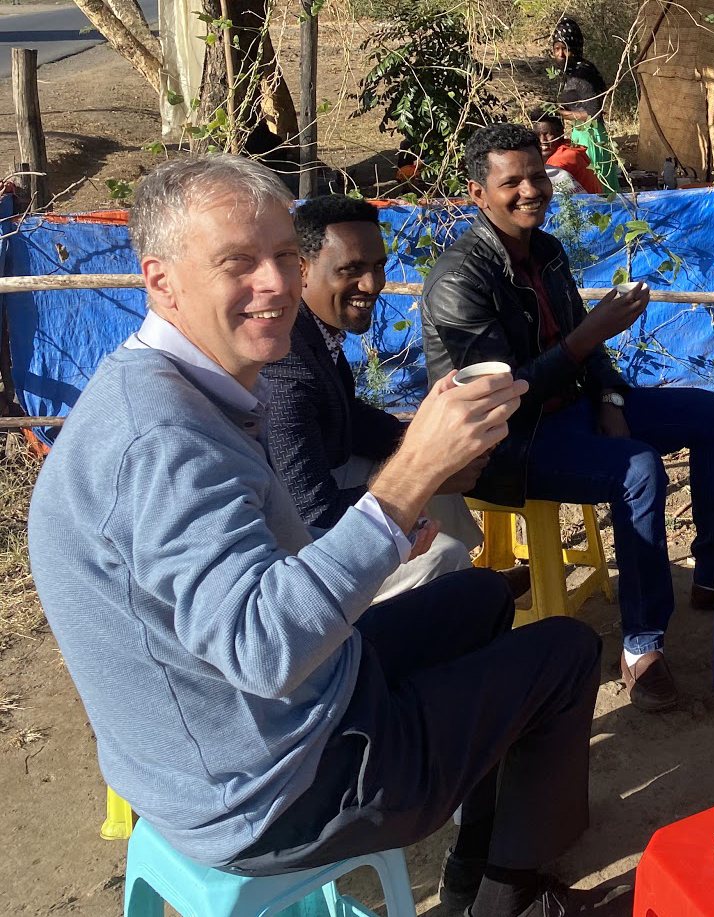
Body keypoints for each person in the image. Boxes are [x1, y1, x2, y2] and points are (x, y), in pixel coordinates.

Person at [28, 155, 629, 916]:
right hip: (271, 789)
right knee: (567, 652)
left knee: (478, 596)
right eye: (237, 264)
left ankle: (475, 855)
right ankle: (507, 897)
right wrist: (409, 479)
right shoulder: (164, 442)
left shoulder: (162, 386)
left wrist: (410, 471)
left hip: (244, 729)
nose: (275, 285)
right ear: (161, 281)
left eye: (284, 256)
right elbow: (264, 645)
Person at [421, 123, 714, 714]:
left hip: (573, 407)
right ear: (476, 193)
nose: (529, 191)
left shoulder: (545, 250)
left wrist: (611, 399)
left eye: (537, 176)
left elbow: (586, 348)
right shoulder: (458, 279)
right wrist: (590, 336)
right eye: (510, 181)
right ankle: (642, 647)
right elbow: (501, 393)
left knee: (710, 414)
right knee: (637, 468)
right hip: (509, 441)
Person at [263, 194, 514, 602]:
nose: (372, 284)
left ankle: (463, 581)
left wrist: (428, 443)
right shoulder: (287, 370)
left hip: (317, 486)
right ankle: (456, 594)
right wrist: (422, 478)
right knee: (440, 553)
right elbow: (312, 511)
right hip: (292, 549)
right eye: (351, 269)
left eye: (378, 266)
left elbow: (352, 418)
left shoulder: (314, 331)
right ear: (301, 269)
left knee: (420, 458)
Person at [549, 17, 619, 192]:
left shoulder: (583, 73)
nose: (561, 54)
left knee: (597, 188)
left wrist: (558, 113)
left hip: (592, 136)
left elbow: (592, 114)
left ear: (575, 49)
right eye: (557, 49)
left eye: (565, 49)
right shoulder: (570, 72)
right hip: (579, 134)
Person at [531, 108, 604, 195]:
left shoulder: (562, 159)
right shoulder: (568, 147)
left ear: (560, 133)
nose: (542, 140)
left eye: (547, 134)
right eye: (537, 135)